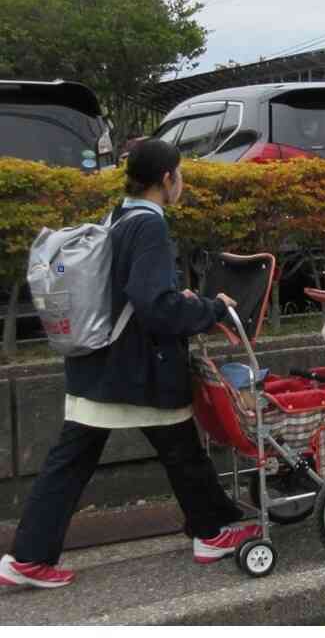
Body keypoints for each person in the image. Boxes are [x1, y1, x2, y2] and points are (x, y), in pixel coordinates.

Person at [0, 140, 259, 590]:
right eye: (180, 175)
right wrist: (211, 310)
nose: (182, 183)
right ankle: (212, 531)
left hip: (96, 363)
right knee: (179, 451)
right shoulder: (149, 227)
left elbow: (127, 293)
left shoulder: (118, 217)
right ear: (166, 179)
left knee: (81, 461)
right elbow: (153, 305)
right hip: (136, 368)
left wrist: (187, 301)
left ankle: (29, 558)